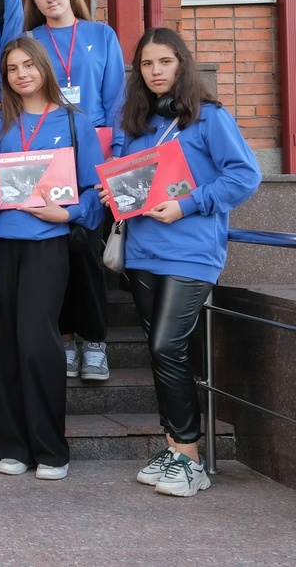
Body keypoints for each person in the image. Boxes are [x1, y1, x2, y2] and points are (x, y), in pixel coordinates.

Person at [102, 28, 259, 497]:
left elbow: (245, 175)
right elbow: (130, 181)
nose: (156, 71)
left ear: (182, 64)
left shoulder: (209, 117)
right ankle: (174, 447)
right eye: (147, 64)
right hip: (143, 252)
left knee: (167, 346)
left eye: (165, 62)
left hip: (192, 252)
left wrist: (188, 204)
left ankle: (190, 458)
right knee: (159, 351)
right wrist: (114, 192)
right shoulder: (136, 122)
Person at [0, 37, 104, 481]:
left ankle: (51, 448)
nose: (21, 74)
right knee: (3, 343)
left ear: (44, 67)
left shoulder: (74, 121)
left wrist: (68, 213)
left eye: (28, 65)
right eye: (12, 68)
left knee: (37, 340)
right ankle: (13, 446)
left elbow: (95, 194)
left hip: (48, 244)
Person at [25, 0, 127, 381]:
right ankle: (65, 341)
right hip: (49, 152)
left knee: (86, 250)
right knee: (55, 253)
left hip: (94, 151)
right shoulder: (31, 40)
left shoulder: (101, 35)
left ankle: (95, 343)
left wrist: (116, 153)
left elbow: (118, 98)